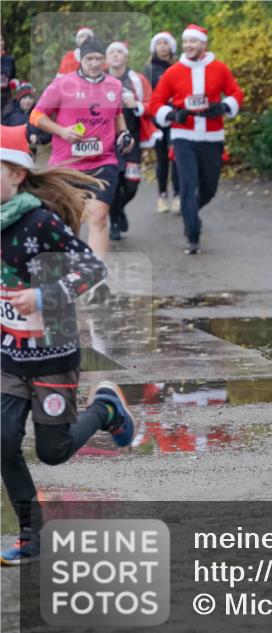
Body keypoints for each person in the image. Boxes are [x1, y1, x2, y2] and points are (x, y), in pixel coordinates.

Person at [0, 125, 137, 565]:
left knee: (52, 452)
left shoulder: (39, 222)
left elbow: (91, 268)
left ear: (17, 175)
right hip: (7, 354)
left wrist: (43, 296)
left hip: (52, 351)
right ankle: (31, 536)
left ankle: (106, 408)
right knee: (2, 442)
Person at [31, 37, 135, 260]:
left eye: (99, 59)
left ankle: (96, 275)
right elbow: (36, 116)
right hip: (67, 164)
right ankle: (71, 270)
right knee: (70, 221)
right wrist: (61, 131)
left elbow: (117, 115)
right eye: (89, 59)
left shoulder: (114, 85)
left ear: (105, 60)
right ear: (81, 59)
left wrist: (124, 133)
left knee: (98, 216)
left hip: (103, 161)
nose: (95, 64)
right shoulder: (62, 85)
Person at [147, 24, 244, 255]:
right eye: (186, 42)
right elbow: (155, 102)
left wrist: (222, 106)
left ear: (203, 44)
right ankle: (192, 233)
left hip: (212, 136)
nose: (189, 46)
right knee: (188, 186)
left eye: (194, 41)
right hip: (183, 137)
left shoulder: (219, 68)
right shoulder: (173, 71)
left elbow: (236, 93)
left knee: (209, 188)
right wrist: (172, 115)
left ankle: (192, 213)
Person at [106, 40, 154, 240]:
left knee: (132, 184)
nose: (116, 55)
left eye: (120, 52)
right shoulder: (99, 80)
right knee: (114, 182)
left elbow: (152, 104)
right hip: (108, 140)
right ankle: (114, 221)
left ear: (126, 56)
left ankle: (119, 209)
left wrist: (137, 104)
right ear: (107, 58)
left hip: (132, 138)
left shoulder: (137, 80)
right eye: (112, 52)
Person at [145, 31, 179, 214]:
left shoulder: (180, 66)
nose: (163, 47)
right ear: (154, 47)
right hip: (157, 119)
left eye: (166, 43)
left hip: (177, 118)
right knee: (162, 159)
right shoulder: (149, 69)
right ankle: (162, 195)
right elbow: (147, 94)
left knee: (177, 157)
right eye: (159, 43)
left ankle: (179, 195)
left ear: (171, 47)